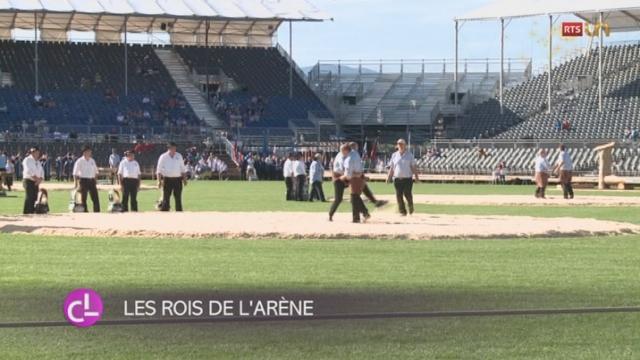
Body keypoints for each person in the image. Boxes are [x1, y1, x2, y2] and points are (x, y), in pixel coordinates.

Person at [387, 139, 419, 216]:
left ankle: (410, 207)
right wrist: (388, 177)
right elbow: (392, 168)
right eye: (399, 144)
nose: (400, 145)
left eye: (402, 144)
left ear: (405, 145)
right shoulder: (394, 155)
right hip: (397, 179)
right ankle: (402, 211)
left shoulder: (409, 155)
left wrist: (416, 177)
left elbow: (413, 167)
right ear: (397, 145)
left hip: (407, 179)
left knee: (407, 194)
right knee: (399, 195)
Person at [349, 142, 386, 208]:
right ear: (354, 146)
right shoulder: (354, 154)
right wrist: (362, 176)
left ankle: (375, 202)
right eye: (356, 146)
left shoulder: (351, 154)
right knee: (357, 193)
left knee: (365, 189)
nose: (357, 147)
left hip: (356, 176)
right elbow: (356, 167)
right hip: (356, 176)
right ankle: (369, 205)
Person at [342, 144, 369, 223]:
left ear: (346, 150)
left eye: (342, 151)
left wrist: (344, 178)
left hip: (355, 178)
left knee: (354, 197)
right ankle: (364, 213)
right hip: (357, 177)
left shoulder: (349, 158)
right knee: (355, 197)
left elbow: (348, 173)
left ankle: (358, 217)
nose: (342, 153)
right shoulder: (355, 154)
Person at [156, 142, 187, 212]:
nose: (174, 149)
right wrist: (159, 181)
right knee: (166, 198)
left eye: (175, 148)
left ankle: (179, 212)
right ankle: (165, 213)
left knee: (178, 197)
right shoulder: (163, 156)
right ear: (169, 148)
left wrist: (185, 179)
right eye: (172, 148)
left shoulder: (179, 156)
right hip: (167, 179)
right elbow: (158, 170)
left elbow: (183, 169)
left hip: (178, 179)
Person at [73, 145, 100, 212]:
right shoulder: (80, 161)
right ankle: (85, 212)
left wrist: (95, 180)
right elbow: (75, 173)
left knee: (95, 198)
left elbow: (96, 172)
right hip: (83, 180)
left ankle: (97, 212)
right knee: (83, 198)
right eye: (88, 151)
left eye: (90, 151)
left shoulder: (92, 161)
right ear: (84, 152)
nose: (89, 153)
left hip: (91, 181)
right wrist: (76, 183)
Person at [329, 144, 349, 222]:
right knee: (338, 199)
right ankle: (330, 214)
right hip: (338, 178)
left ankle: (364, 212)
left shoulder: (341, 155)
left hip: (343, 177)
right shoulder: (341, 156)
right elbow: (342, 167)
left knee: (355, 194)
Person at [22, 147, 44, 214]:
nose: (37, 154)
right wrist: (36, 178)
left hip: (36, 182)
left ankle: (33, 211)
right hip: (28, 180)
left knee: (35, 197)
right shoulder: (27, 160)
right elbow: (28, 170)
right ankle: (27, 212)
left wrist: (40, 179)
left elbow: (42, 171)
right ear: (32, 152)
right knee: (29, 197)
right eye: (35, 152)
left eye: (38, 152)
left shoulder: (37, 161)